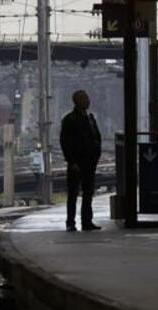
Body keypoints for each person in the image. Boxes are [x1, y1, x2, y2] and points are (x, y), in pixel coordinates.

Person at [59, 90, 102, 232]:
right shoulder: (70, 119)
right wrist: (72, 161)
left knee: (88, 193)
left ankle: (87, 221)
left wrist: (96, 156)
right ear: (77, 101)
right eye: (84, 99)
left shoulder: (90, 118)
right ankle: (70, 222)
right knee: (73, 194)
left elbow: (96, 137)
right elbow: (65, 142)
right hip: (76, 164)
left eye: (87, 98)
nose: (88, 101)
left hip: (90, 163)